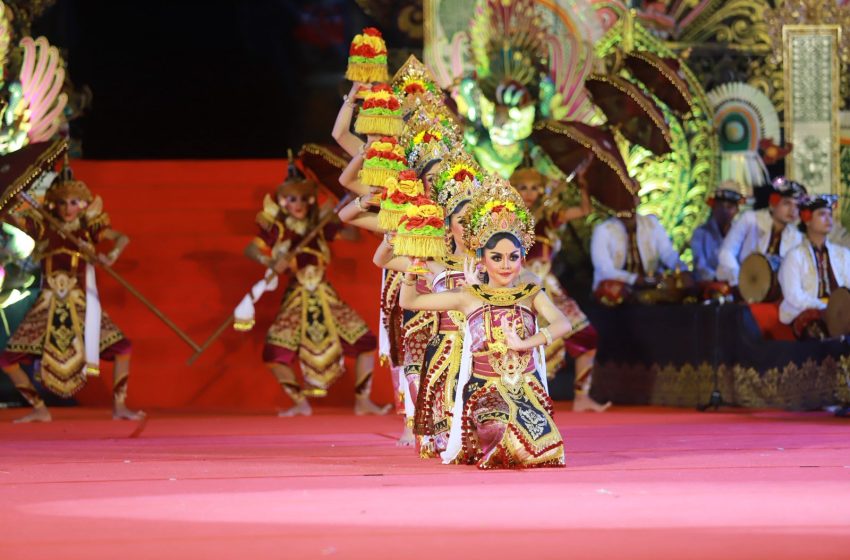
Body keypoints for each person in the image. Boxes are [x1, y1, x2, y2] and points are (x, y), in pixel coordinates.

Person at [400, 177, 569, 469]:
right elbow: (410, 301)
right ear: (482, 258)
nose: (506, 265)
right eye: (497, 257)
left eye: (513, 257)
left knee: (547, 448)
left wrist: (526, 343)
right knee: (502, 430)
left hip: (526, 389)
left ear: (522, 257)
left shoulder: (530, 292)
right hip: (485, 391)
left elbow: (563, 323)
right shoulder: (469, 296)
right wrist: (412, 268)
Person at [244, 158, 387, 416]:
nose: (298, 204)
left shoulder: (320, 224)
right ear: (283, 201)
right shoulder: (277, 228)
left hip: (324, 292)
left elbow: (354, 237)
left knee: (365, 342)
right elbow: (252, 249)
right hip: (297, 293)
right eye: (292, 199)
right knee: (274, 352)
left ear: (310, 199)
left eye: (302, 198)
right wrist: (270, 261)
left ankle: (362, 400)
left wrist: (338, 217)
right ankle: (300, 402)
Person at [0, 171, 141, 423]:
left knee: (123, 348)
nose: (68, 208)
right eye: (62, 202)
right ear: (54, 203)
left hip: (79, 304)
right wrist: (10, 198)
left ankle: (119, 406)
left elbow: (122, 238)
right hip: (47, 304)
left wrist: (110, 255)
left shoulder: (88, 229)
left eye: (74, 202)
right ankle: (39, 408)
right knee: (8, 359)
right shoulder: (43, 225)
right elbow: (9, 216)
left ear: (84, 204)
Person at [374, 148, 480, 456]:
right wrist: (394, 236)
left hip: (480, 349)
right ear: (448, 225)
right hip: (442, 344)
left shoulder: (494, 263)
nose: (468, 227)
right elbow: (382, 260)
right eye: (462, 220)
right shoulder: (436, 263)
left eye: (474, 221)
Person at [510, 165, 609, 412]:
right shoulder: (507, 217)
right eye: (523, 188)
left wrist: (583, 186)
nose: (530, 193)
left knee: (587, 335)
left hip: (549, 285)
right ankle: (519, 399)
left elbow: (584, 210)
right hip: (520, 286)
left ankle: (582, 396)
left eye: (535, 188)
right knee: (522, 342)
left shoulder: (549, 215)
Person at [777, 195, 850, 340]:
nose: (828, 219)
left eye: (830, 215)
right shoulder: (794, 255)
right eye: (822, 214)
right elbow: (793, 296)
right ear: (807, 219)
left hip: (840, 311)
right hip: (808, 312)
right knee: (816, 331)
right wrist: (825, 306)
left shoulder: (843, 254)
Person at [717, 177, 805, 286]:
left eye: (797, 206)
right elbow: (727, 252)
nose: (793, 210)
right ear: (773, 203)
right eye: (787, 203)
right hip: (739, 282)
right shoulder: (750, 220)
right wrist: (739, 277)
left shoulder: (796, 237)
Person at [591, 208, 685, 304]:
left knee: (674, 287)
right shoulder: (604, 229)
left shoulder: (651, 223)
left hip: (651, 284)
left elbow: (667, 253)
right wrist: (634, 279)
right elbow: (604, 269)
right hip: (619, 288)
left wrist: (682, 270)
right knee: (614, 292)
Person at [691, 181, 744, 282]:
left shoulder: (740, 235)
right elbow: (700, 268)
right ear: (713, 206)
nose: (725, 211)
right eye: (721, 206)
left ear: (737, 210)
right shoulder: (701, 233)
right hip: (708, 287)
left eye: (730, 207)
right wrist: (719, 279)